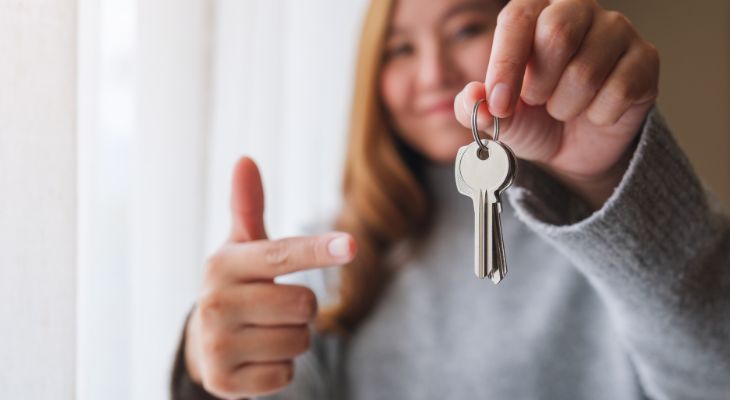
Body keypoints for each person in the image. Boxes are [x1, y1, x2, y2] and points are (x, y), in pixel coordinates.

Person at [171, 0, 730, 399]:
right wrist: (213, 369)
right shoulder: (334, 254)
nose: (434, 73)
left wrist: (609, 179)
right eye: (401, 49)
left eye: (464, 29)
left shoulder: (619, 219)